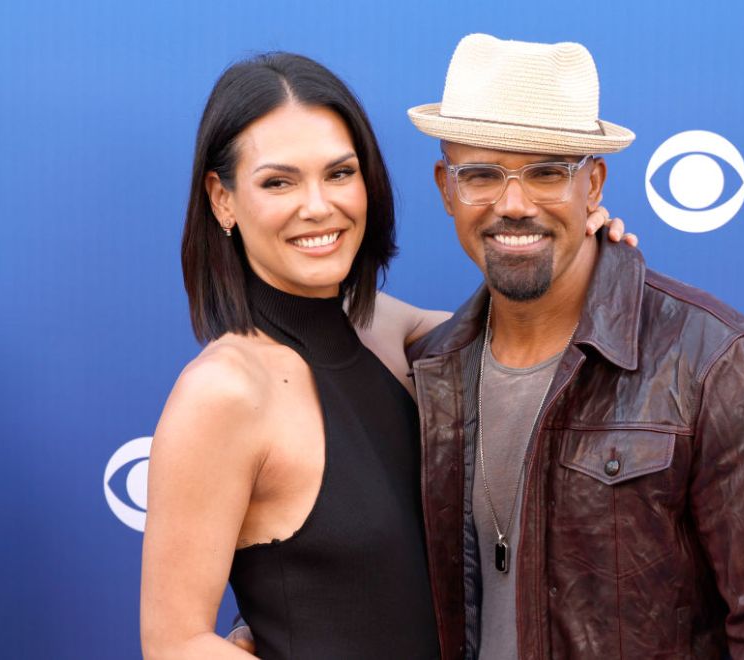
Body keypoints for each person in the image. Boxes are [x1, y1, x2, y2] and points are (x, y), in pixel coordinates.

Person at [141, 52, 632, 659]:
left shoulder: (392, 333)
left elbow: (534, 338)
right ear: (223, 199)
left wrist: (578, 254)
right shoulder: (224, 391)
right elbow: (175, 642)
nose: (317, 205)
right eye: (278, 182)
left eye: (339, 173)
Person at [402, 34, 744, 658]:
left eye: (547, 173)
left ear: (594, 185)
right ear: (446, 189)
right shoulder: (431, 371)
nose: (514, 204)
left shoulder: (717, 361)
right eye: (481, 175)